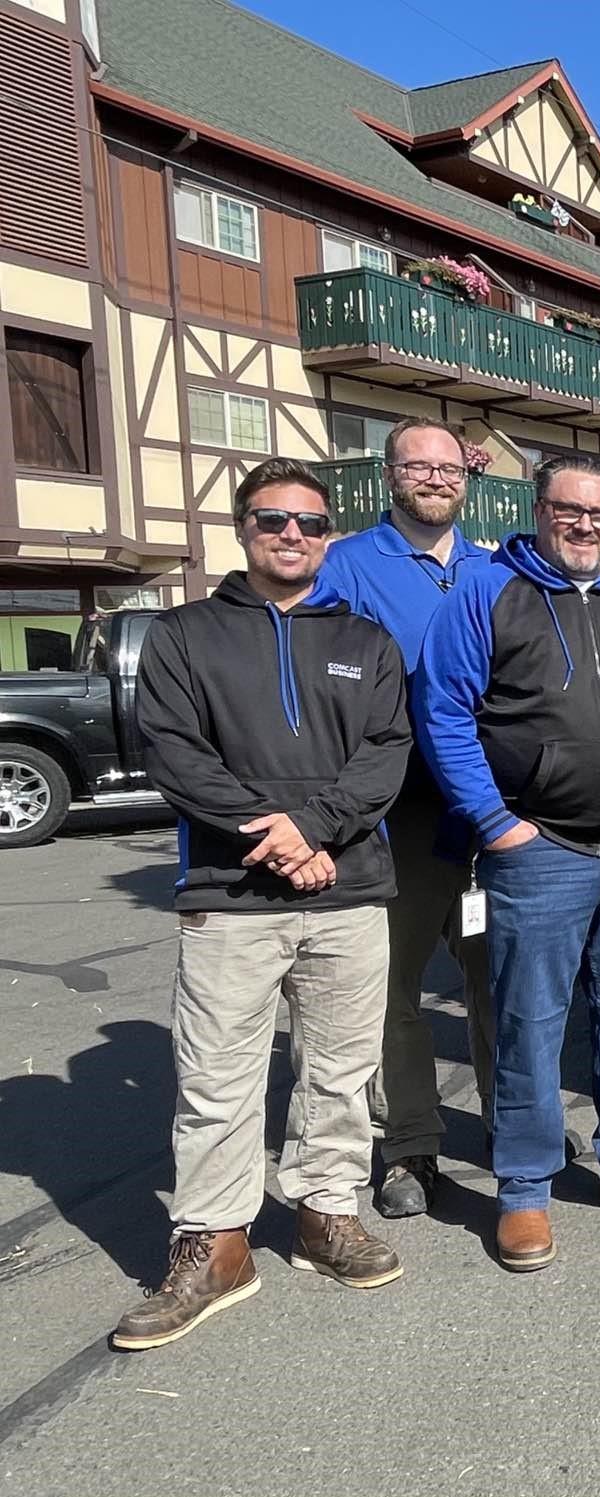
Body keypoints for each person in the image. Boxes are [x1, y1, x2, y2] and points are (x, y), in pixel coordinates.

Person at [113, 459, 411, 1350]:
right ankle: (216, 1243)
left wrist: (313, 829)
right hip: (228, 895)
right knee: (215, 1082)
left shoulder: (367, 640)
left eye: (311, 523)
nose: (293, 535)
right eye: (273, 519)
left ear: (329, 535)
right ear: (242, 528)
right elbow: (174, 752)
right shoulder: (185, 635)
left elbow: (386, 753)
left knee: (339, 1072)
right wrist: (273, 837)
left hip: (349, 891)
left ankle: (325, 1216)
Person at [414, 455, 600, 1272]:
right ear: (539, 510)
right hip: (537, 850)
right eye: (570, 510)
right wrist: (497, 824)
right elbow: (444, 713)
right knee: (528, 1026)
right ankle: (525, 1190)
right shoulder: (486, 593)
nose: (585, 526)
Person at [315, 417, 495, 1219]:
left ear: (467, 478)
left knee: (502, 981)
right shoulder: (348, 566)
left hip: (493, 813)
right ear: (390, 475)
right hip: (405, 817)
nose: (435, 478)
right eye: (417, 465)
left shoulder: (492, 570)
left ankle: (512, 1121)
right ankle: (412, 1146)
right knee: (399, 990)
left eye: (449, 467)